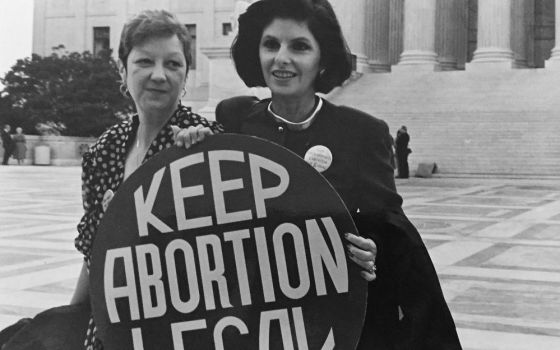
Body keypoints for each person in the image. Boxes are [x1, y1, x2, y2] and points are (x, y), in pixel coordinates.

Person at [215, 0, 462, 349]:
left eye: (299, 46)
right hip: (260, 324)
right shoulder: (236, 121)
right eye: (271, 44)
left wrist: (373, 251)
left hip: (338, 325)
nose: (281, 58)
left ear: (323, 59)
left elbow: (391, 234)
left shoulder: (363, 133)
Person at [70, 10, 222, 349]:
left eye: (172, 64)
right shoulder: (103, 151)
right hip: (112, 324)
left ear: (186, 74)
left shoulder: (207, 145)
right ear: (123, 70)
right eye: (144, 62)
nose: (159, 75)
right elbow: (94, 252)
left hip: (184, 327)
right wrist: (69, 321)